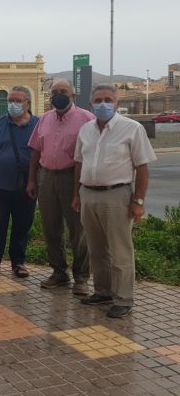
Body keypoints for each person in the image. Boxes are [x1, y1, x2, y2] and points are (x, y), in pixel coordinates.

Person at [73, 84, 156, 318]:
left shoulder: (132, 128)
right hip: (88, 194)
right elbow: (79, 162)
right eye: (98, 100)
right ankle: (103, 291)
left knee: (120, 250)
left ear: (117, 103)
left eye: (108, 99)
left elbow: (142, 166)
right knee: (96, 248)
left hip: (117, 194)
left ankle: (123, 298)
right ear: (90, 104)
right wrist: (76, 194)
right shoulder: (85, 130)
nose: (103, 104)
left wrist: (138, 200)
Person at [26, 79, 95, 295]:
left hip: (72, 178)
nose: (58, 95)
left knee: (78, 231)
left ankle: (81, 277)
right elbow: (36, 151)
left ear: (72, 95)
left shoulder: (87, 119)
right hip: (46, 177)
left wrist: (82, 187)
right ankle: (59, 273)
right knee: (51, 228)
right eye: (54, 91)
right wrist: (31, 180)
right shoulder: (44, 119)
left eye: (63, 91)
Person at [0, 86, 39, 278]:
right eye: (10, 101)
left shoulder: (38, 124)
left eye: (17, 101)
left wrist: (35, 181)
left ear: (27, 103)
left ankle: (19, 263)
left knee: (22, 226)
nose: (13, 104)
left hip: (27, 186)